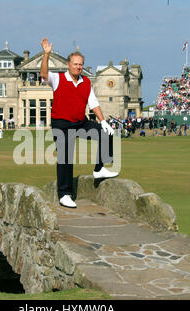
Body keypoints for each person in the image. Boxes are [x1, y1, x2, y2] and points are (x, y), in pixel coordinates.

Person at [40, 37, 117, 208]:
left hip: (80, 123)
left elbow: (93, 102)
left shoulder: (86, 81)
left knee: (106, 133)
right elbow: (44, 75)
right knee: (65, 157)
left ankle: (99, 169)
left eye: (81, 64)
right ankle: (64, 194)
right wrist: (46, 55)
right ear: (68, 64)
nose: (78, 67)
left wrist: (103, 121)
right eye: (75, 64)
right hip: (61, 124)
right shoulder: (58, 78)